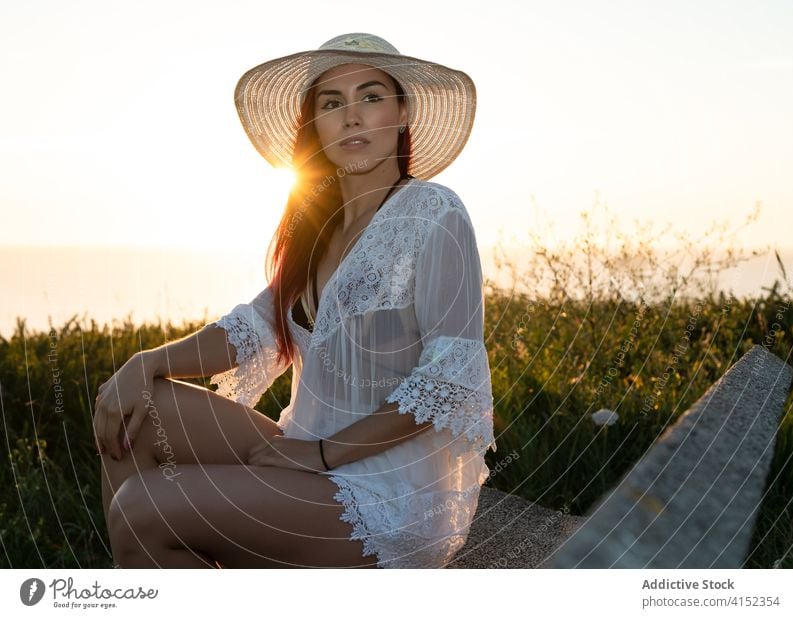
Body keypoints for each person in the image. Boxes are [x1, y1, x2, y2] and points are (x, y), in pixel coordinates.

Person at [93, 32, 496, 569]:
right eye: (332, 103)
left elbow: (449, 380)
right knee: (134, 412)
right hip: (302, 447)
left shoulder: (434, 213)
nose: (352, 117)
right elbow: (252, 329)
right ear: (316, 127)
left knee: (144, 510)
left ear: (403, 114)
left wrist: (321, 454)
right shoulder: (317, 227)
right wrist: (144, 364)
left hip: (384, 492)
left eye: (371, 96)